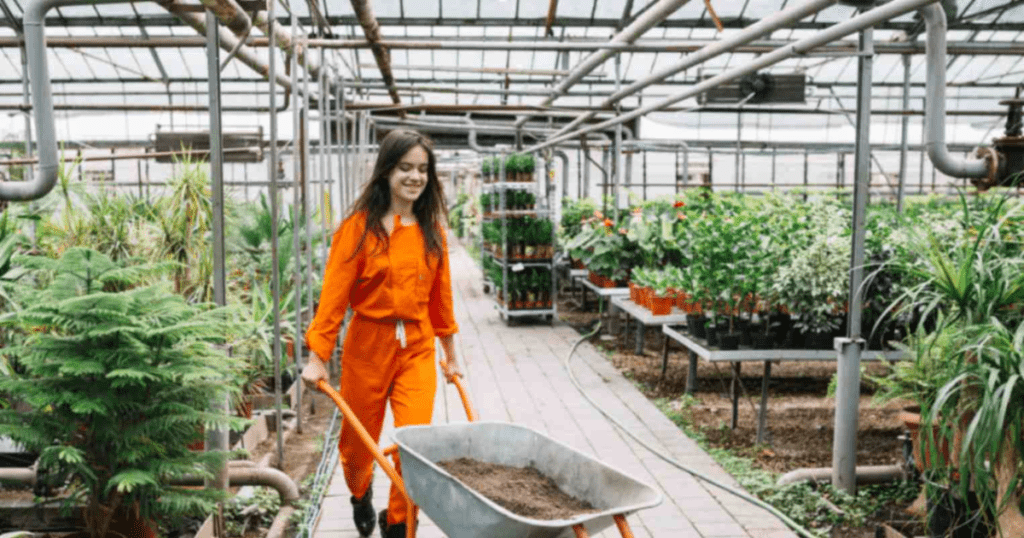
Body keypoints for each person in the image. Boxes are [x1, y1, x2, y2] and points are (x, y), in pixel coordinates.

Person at [301, 129, 462, 538]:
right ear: (387, 171)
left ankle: (398, 523)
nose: (415, 177)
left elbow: (441, 301)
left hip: (418, 348)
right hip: (367, 346)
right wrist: (317, 357)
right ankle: (358, 492)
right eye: (405, 167)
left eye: (423, 169)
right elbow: (334, 297)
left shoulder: (432, 232)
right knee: (358, 444)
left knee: (415, 445)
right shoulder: (357, 229)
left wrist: (452, 354)